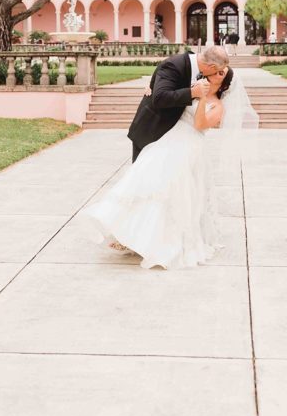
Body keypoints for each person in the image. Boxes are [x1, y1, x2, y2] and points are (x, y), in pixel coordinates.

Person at [80, 46, 257, 269]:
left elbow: (200, 124)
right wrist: (156, 87)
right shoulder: (182, 70)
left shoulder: (216, 104)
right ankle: (132, 236)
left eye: (222, 74)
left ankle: (160, 239)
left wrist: (200, 96)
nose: (216, 76)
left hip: (190, 145)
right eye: (218, 71)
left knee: (176, 193)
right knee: (147, 184)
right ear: (211, 68)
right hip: (165, 136)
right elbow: (164, 91)